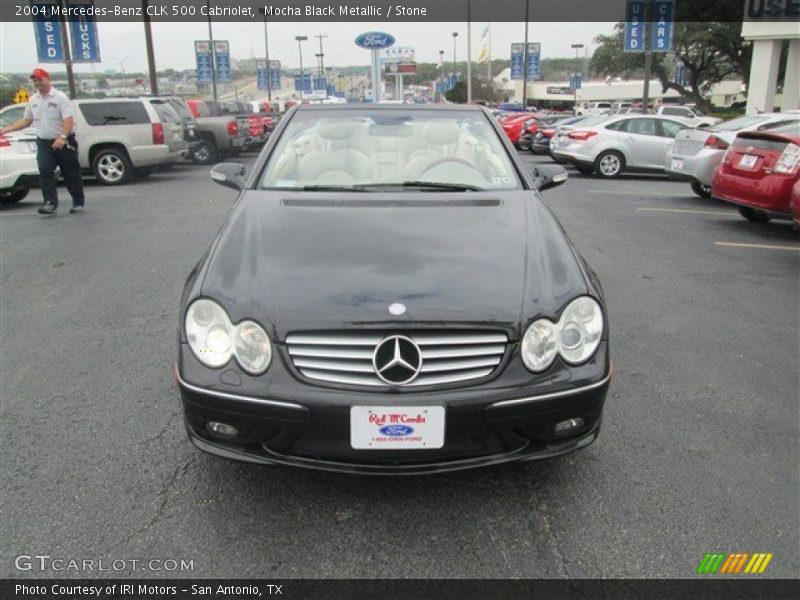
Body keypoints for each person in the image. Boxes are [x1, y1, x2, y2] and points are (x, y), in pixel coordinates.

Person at [0, 68, 85, 215]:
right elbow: (27, 120)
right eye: (35, 80)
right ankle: (50, 203)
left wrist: (62, 138)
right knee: (45, 171)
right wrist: (5, 130)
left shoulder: (60, 97)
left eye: (40, 79)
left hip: (64, 142)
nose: (38, 83)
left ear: (47, 79)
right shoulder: (33, 100)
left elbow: (68, 121)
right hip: (44, 142)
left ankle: (78, 202)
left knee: (71, 173)